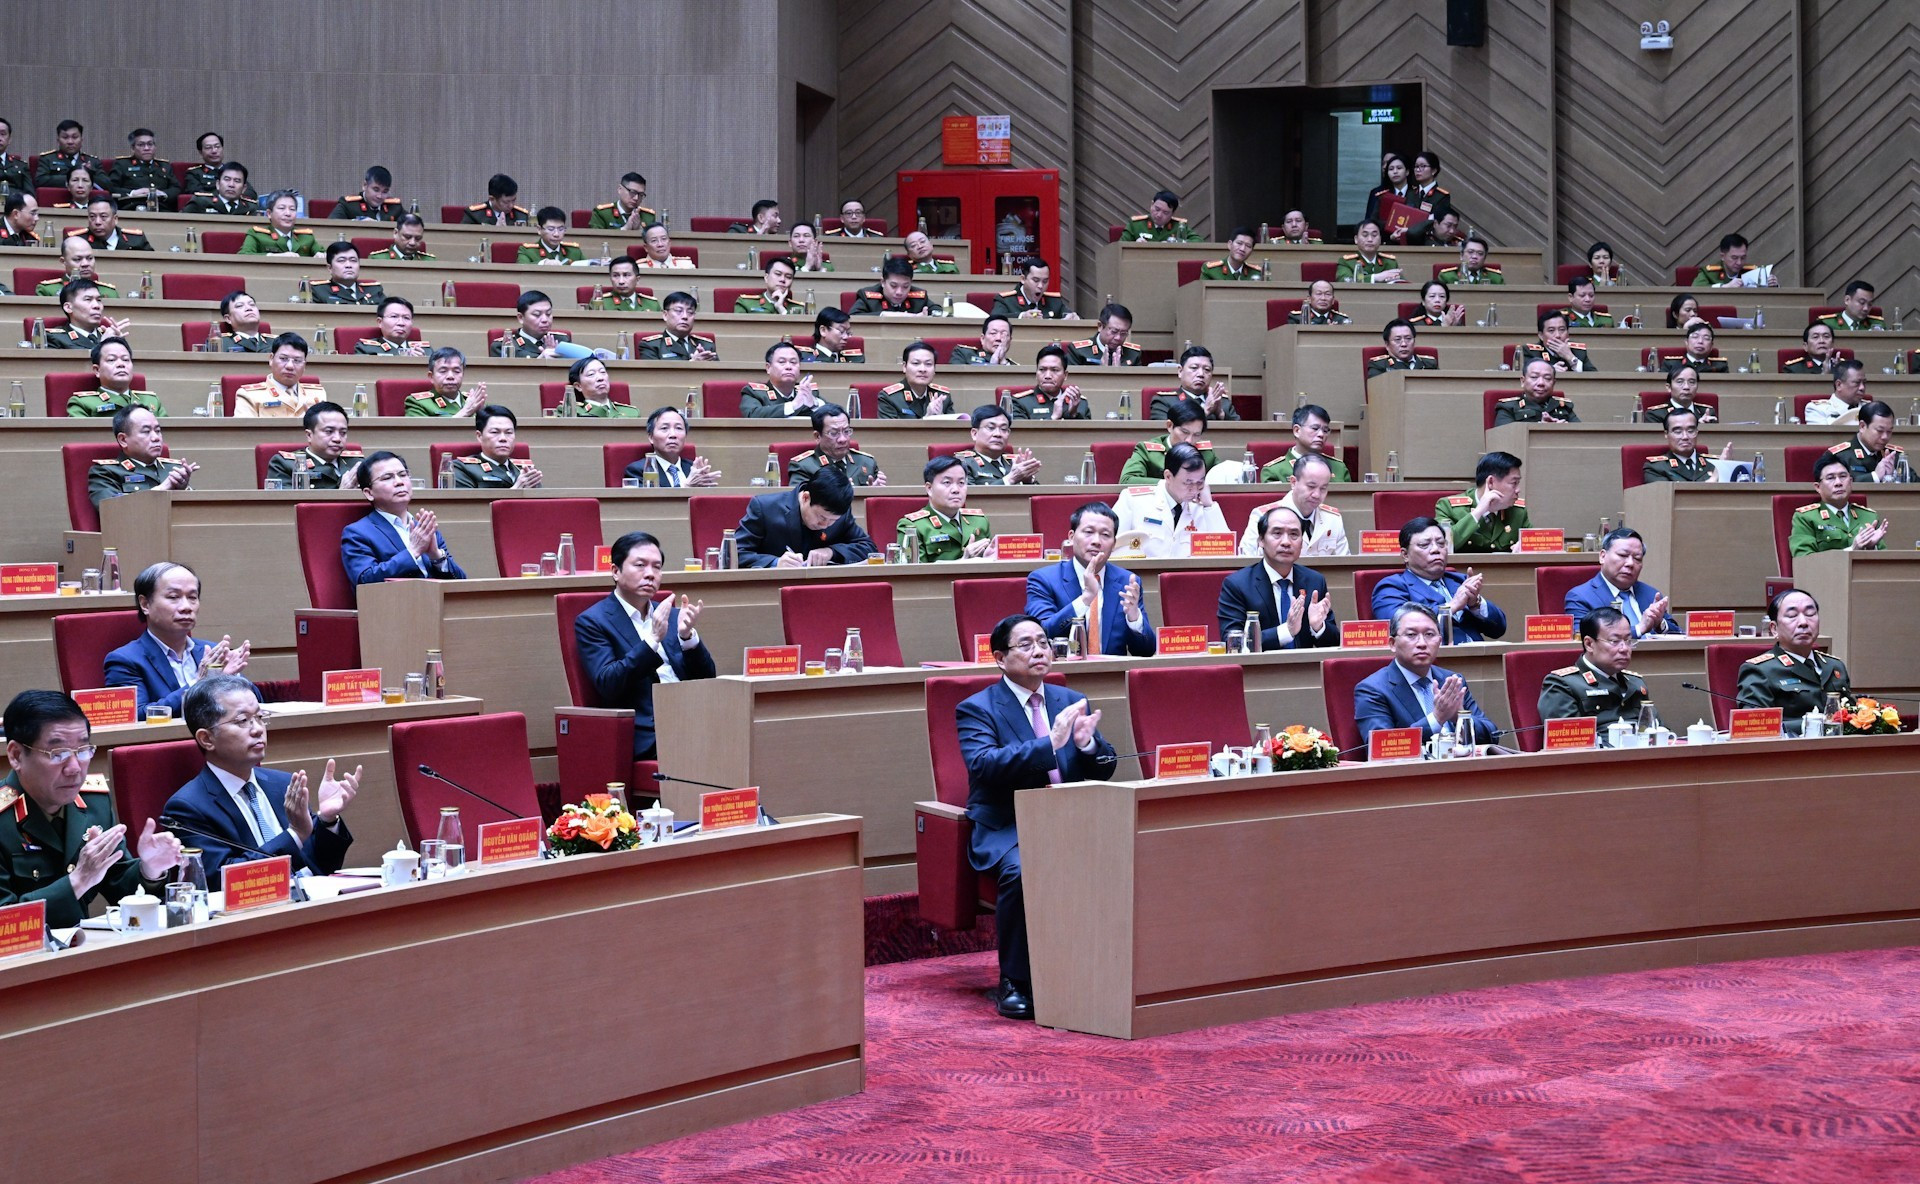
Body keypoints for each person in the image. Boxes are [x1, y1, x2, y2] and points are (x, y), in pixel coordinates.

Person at [956, 613, 1118, 1020]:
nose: (1039, 651)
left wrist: (1085, 748)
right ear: (999, 658)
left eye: (1043, 642)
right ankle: (1015, 980)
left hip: (1072, 817)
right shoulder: (976, 709)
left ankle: (1110, 969)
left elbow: (1107, 764)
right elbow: (985, 766)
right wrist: (1051, 743)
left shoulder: (1069, 699)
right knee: (1024, 871)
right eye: (1025, 644)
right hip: (1010, 823)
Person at [0, 690, 182, 928]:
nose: (75, 768)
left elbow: (119, 886)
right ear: (16, 755)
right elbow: (5, 924)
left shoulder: (92, 801)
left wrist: (150, 868)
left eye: (84, 751)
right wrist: (78, 881)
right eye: (59, 754)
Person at [165, 675, 360, 878]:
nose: (258, 729)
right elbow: (223, 879)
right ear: (206, 739)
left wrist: (327, 820)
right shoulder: (187, 808)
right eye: (242, 721)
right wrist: (295, 835)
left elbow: (322, 866)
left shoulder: (283, 784)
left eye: (259, 717)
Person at [573, 531, 715, 760]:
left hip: (692, 718)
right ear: (616, 572)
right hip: (648, 733)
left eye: (657, 567)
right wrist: (652, 641)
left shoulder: (671, 615)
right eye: (640, 565)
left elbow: (707, 679)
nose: (650, 574)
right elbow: (608, 682)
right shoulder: (593, 621)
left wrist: (688, 638)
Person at [103, 562, 252, 714]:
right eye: (174, 597)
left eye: (192, 597)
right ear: (145, 604)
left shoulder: (212, 654)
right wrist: (198, 684)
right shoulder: (124, 661)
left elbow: (256, 703)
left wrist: (234, 678)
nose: (186, 607)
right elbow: (136, 716)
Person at [1353, 604, 1503, 746]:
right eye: (1411, 635)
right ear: (1392, 644)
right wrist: (1436, 718)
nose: (1422, 643)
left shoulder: (1452, 681)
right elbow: (1381, 746)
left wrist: (1460, 717)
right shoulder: (1372, 689)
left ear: (1439, 641)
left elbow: (1493, 734)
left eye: (1429, 634)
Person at [1024, 503, 1156, 656]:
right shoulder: (1043, 579)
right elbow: (1043, 634)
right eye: (1088, 532)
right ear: (1071, 537)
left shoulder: (1128, 582)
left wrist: (1134, 618)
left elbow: (1146, 652)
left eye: (1105, 535)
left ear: (1113, 544)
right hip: (1063, 674)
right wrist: (1086, 599)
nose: (1096, 541)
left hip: (1113, 675)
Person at [1217, 504, 1338, 650]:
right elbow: (1233, 643)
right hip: (1259, 671)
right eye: (1277, 533)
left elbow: (1333, 643)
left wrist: (1318, 627)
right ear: (1261, 540)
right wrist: (1286, 631)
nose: (1286, 542)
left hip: (1305, 671)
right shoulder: (1237, 585)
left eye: (1294, 534)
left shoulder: (1314, 581)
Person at [1369, 517, 1508, 643]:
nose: (1436, 549)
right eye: (1425, 545)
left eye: (1441, 544)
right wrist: (1452, 606)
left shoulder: (1458, 581)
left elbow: (1499, 629)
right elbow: (1400, 625)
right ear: (1405, 555)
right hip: (1433, 664)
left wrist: (1475, 604)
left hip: (1480, 661)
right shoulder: (1391, 587)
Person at [339, 452, 466, 584]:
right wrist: (412, 552)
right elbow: (365, 581)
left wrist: (436, 556)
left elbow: (461, 583)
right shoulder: (357, 533)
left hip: (438, 602)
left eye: (403, 475)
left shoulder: (424, 529)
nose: (399, 482)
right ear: (369, 493)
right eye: (387, 477)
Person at [1736, 590, 1851, 717]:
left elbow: (1851, 716)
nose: (1803, 622)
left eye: (1810, 614)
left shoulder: (1835, 666)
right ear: (1774, 629)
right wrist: (1819, 723)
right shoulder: (1761, 670)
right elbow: (1757, 725)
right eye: (1792, 615)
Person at [1537, 608, 1652, 734]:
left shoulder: (1636, 683)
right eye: (1614, 641)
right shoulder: (1562, 684)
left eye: (1628, 640)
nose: (1624, 649)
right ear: (1589, 644)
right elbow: (1568, 742)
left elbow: (1656, 730)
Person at [734, 468, 876, 567]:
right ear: (806, 497)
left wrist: (831, 552)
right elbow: (734, 554)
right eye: (821, 517)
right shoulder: (764, 508)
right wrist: (775, 563)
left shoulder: (841, 514)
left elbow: (869, 548)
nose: (825, 525)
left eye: (833, 521)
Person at [1114, 443, 1229, 557]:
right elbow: (1112, 547)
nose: (1194, 490)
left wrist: (1209, 506)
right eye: (1188, 483)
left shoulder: (1203, 506)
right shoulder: (1134, 500)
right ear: (1168, 476)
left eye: (1200, 482)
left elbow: (1226, 552)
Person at [1563, 528, 1679, 637]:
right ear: (1602, 556)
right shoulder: (1581, 597)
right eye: (1623, 555)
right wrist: (1639, 629)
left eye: (1637, 558)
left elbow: (1679, 634)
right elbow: (1585, 638)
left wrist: (1660, 624)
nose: (1630, 563)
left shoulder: (1650, 594)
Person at [1236, 453, 1348, 558]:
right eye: (1311, 486)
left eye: (1323, 488)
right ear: (1293, 482)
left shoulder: (1333, 519)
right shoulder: (1262, 516)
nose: (1317, 495)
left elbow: (1343, 568)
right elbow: (1246, 563)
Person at [89, 406, 194, 505]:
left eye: (158, 431)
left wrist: (184, 490)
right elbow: (111, 509)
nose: (156, 438)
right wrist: (162, 488)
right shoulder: (105, 472)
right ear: (123, 440)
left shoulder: (174, 469)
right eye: (146, 431)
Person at [1788, 454, 1888, 556]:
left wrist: (1871, 547)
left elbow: (1883, 564)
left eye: (1843, 476)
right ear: (1818, 487)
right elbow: (1803, 560)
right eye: (1830, 478)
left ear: (1851, 482)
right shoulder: (1806, 517)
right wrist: (1852, 550)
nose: (1838, 483)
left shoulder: (1869, 516)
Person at [900, 457, 994, 561]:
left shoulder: (979, 521)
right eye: (947, 483)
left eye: (961, 483)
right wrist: (964, 561)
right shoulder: (912, 527)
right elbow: (914, 574)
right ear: (929, 488)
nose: (956, 490)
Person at [1435, 451, 1531, 552]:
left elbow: (1539, 542)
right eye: (1514, 483)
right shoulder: (1448, 507)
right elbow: (1443, 547)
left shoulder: (1518, 512)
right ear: (1490, 482)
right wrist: (1479, 511)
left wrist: (1526, 546)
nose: (1518, 490)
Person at [265, 401, 364, 489]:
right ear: (309, 435)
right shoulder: (285, 464)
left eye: (343, 432)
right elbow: (285, 507)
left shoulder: (357, 463)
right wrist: (341, 494)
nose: (337, 439)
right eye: (329, 431)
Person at [1119, 403, 1216, 486]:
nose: (1189, 441)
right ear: (1170, 426)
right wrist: (1170, 484)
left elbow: (1223, 476)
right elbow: (1127, 480)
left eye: (1196, 435)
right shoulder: (1147, 451)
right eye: (1185, 432)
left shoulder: (1206, 453)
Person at [790, 403, 887, 486]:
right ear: (817, 436)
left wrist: (874, 493)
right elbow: (799, 503)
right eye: (833, 433)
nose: (842, 439)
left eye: (846, 431)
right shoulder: (804, 466)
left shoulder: (867, 462)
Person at [449, 405, 542, 489]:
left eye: (509, 432)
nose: (503, 438)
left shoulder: (524, 468)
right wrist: (516, 491)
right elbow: (466, 507)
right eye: (495, 432)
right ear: (479, 436)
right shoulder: (462, 468)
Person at [233, 333, 326, 417]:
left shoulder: (317, 394)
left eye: (297, 361)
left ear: (305, 365)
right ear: (271, 359)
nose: (290, 366)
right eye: (283, 358)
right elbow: (245, 434)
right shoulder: (249, 395)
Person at [1259, 403, 1353, 482]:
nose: (1321, 434)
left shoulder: (1339, 468)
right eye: (1315, 428)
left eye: (1325, 430)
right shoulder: (1275, 471)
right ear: (1297, 431)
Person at [627, 407, 720, 486]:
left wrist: (706, 488)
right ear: (651, 437)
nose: (673, 435)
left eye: (678, 428)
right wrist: (686, 487)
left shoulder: (694, 470)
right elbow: (646, 506)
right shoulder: (638, 471)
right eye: (664, 428)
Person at [66, 336, 158, 416]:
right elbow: (81, 435)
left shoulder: (152, 401)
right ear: (97, 370)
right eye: (111, 360)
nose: (121, 364)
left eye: (125, 360)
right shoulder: (82, 403)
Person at [1824, 401, 1907, 483]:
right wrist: (1875, 476)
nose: (1885, 437)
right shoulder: (1840, 456)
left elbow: (1915, 483)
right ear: (1862, 426)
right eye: (1880, 431)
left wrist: (1894, 475)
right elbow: (1834, 486)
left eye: (1889, 431)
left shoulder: (1893, 455)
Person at [1641, 406, 1730, 483]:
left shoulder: (1714, 464)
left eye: (1690, 431)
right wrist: (1714, 478)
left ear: (1697, 432)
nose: (1685, 437)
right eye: (1678, 431)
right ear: (1666, 434)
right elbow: (1665, 498)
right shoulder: (1656, 468)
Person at [957, 405, 1042, 484]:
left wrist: (1028, 480)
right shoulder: (962, 463)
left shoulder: (1014, 462)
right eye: (991, 428)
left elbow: (1038, 497)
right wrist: (1010, 479)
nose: (998, 434)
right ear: (974, 434)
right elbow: (969, 497)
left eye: (1003, 429)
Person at [1150, 344, 1239, 420]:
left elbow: (1240, 434)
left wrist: (1221, 414)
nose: (1201, 374)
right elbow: (1163, 435)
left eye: (1207, 370)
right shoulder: (1165, 401)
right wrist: (1205, 411)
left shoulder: (1222, 401)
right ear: (1180, 371)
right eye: (1194, 368)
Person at [739, 341, 819, 418]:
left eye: (793, 362)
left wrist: (814, 405)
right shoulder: (754, 393)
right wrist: (793, 405)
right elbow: (752, 414)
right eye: (782, 362)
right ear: (768, 368)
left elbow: (830, 412)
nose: (789, 367)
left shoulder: (807, 392)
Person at [46, 278, 129, 352]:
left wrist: (121, 344)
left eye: (99, 300)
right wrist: (103, 345)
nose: (96, 306)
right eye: (88, 299)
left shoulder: (110, 336)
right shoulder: (55, 338)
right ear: (68, 307)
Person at [103, 128, 177, 210]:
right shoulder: (122, 165)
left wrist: (163, 194)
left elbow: (176, 188)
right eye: (141, 145)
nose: (146, 148)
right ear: (132, 148)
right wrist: (133, 193)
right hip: (131, 208)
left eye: (150, 144)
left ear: (155, 147)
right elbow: (111, 187)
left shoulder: (164, 166)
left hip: (162, 209)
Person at [1007, 345, 1089, 420]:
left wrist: (1073, 414)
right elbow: (1020, 435)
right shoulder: (1020, 403)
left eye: (1054, 370)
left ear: (1065, 375)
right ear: (1036, 373)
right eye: (1042, 370)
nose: (1047, 376)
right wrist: (1053, 418)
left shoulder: (1080, 403)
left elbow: (1088, 435)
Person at [404, 347, 488, 417]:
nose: (450, 376)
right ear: (431, 376)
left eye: (456, 371)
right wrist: (465, 412)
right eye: (443, 371)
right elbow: (422, 435)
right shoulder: (418, 403)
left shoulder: (474, 402)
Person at [1492, 359, 1581, 424]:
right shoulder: (1508, 407)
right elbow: (1502, 438)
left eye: (1547, 378)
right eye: (1534, 377)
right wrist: (1539, 428)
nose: (1541, 383)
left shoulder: (1564, 407)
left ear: (1553, 383)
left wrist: (1565, 430)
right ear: (1523, 381)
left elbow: (1581, 436)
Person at [878, 341, 952, 418]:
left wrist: (941, 417)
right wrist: (928, 418)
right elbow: (890, 429)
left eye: (928, 364)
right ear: (904, 367)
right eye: (916, 363)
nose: (922, 369)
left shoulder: (942, 396)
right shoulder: (890, 398)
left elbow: (953, 429)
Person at [637, 292, 718, 360]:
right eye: (679, 311)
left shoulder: (706, 345)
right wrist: (693, 365)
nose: (685, 316)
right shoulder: (651, 345)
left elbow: (718, 377)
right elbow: (652, 377)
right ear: (665, 315)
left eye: (690, 312)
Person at [491, 290, 571, 358]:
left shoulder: (562, 341)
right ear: (521, 318)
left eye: (548, 314)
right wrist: (540, 361)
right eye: (537, 314)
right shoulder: (504, 346)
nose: (545, 320)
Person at [36, 234, 119, 297]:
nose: (85, 264)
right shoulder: (48, 290)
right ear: (63, 261)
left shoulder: (109, 293)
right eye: (77, 259)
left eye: (90, 258)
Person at [240, 191, 320, 255]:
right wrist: (274, 256)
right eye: (282, 208)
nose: (288, 213)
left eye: (292, 209)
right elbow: (244, 255)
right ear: (269, 213)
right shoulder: (256, 235)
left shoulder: (306, 237)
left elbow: (324, 253)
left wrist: (321, 254)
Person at [990, 258, 1073, 319]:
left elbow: (1068, 315)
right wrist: (1022, 316)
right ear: (1023, 279)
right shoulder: (1006, 300)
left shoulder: (1054, 301)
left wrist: (1072, 317)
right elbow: (994, 319)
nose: (1040, 286)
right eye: (1036, 280)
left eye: (1045, 281)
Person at [1063, 304, 1143, 367]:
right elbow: (1073, 382)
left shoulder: (1134, 354)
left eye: (1123, 333)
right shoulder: (1079, 351)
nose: (1118, 338)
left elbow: (1138, 385)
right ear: (1100, 326)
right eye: (1114, 331)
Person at [562, 355, 641, 419]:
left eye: (603, 372)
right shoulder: (571, 412)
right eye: (591, 374)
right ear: (578, 386)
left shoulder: (632, 413)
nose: (600, 378)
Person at [182, 133, 256, 201]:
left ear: (222, 149)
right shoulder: (194, 173)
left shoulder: (233, 171)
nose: (214, 151)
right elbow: (198, 195)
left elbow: (251, 194)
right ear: (201, 152)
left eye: (217, 146)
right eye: (208, 147)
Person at [850, 257, 932, 315]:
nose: (899, 292)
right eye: (893, 286)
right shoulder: (867, 296)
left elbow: (937, 311)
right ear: (883, 282)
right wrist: (884, 315)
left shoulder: (919, 297)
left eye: (905, 286)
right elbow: (854, 316)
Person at [1692, 232, 1778, 287]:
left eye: (1743, 257)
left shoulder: (1753, 272)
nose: (1739, 262)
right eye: (1734, 258)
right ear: (1722, 256)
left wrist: (1774, 285)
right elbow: (1697, 289)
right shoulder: (1709, 272)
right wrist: (1725, 287)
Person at [1400, 150, 1452, 241]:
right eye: (1416, 166)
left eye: (1423, 166)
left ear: (1434, 170)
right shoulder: (1411, 193)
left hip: (1429, 241)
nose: (1418, 170)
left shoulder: (1441, 196)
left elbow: (1434, 221)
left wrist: (1410, 230)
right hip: (1408, 240)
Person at [1521, 310, 1595, 373]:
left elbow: (1594, 377)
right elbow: (1528, 375)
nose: (1557, 335)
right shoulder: (1530, 352)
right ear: (1541, 335)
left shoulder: (1578, 351)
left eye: (1562, 330)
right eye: (1551, 330)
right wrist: (1550, 370)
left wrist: (1571, 358)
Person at [1643, 363, 1717, 426]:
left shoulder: (1706, 412)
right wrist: (1698, 426)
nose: (1686, 387)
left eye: (1691, 382)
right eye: (1679, 382)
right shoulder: (1656, 414)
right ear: (1669, 387)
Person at [310, 242, 383, 305]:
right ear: (330, 268)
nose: (348, 265)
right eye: (341, 260)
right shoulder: (318, 291)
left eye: (353, 260)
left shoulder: (374, 290)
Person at [32, 120, 97, 188]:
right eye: (65, 137)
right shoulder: (47, 159)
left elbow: (106, 183)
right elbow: (39, 181)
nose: (70, 142)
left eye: (74, 137)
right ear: (58, 140)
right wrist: (74, 177)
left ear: (81, 140)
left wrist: (89, 174)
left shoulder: (92, 161)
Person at [1803, 359, 1869, 426]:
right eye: (1856, 383)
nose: (1862, 388)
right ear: (1839, 385)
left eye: (1864, 383)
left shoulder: (1870, 408)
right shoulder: (1817, 409)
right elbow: (1823, 436)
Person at [1335, 220, 1402, 283]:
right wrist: (1375, 277)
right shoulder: (1347, 262)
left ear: (1380, 239)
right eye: (1365, 235)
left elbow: (1401, 283)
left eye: (1374, 235)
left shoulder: (1390, 262)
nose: (1370, 239)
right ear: (1356, 239)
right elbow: (1345, 281)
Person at [354, 296, 424, 356]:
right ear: (380, 322)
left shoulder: (425, 350)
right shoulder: (366, 349)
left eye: (406, 318)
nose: (401, 323)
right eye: (394, 316)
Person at [74, 197, 153, 250]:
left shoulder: (136, 240)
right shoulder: (77, 240)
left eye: (103, 216)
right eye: (92, 216)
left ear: (115, 219)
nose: (97, 222)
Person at [588, 256, 661, 312]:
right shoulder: (601, 303)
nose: (621, 281)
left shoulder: (652, 305)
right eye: (616, 275)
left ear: (637, 279)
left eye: (626, 275)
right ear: (610, 279)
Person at [733, 254, 802, 314]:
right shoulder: (745, 303)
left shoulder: (800, 309)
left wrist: (781, 309)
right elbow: (740, 328)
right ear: (766, 277)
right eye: (778, 274)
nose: (782, 280)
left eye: (788, 277)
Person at [328, 165, 402, 221]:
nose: (379, 196)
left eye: (385, 192)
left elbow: (411, 224)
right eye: (376, 190)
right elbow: (332, 225)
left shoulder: (395, 207)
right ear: (365, 186)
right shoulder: (349, 205)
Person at [182, 162, 255, 217]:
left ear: (244, 188)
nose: (231, 185)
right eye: (227, 179)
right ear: (218, 184)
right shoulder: (200, 202)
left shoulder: (251, 207)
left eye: (237, 181)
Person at [1366, 319, 1434, 378]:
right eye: (1397, 339)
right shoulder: (1379, 365)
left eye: (1408, 338)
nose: (1404, 344)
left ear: (1414, 341)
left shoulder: (1429, 364)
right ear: (1387, 345)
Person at [1120, 190, 1197, 242]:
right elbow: (1120, 245)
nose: (1159, 215)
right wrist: (1134, 245)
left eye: (1165, 212)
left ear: (1172, 213)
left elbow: (1198, 241)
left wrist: (1176, 243)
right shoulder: (1136, 224)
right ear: (1152, 204)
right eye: (1157, 209)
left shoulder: (1179, 226)